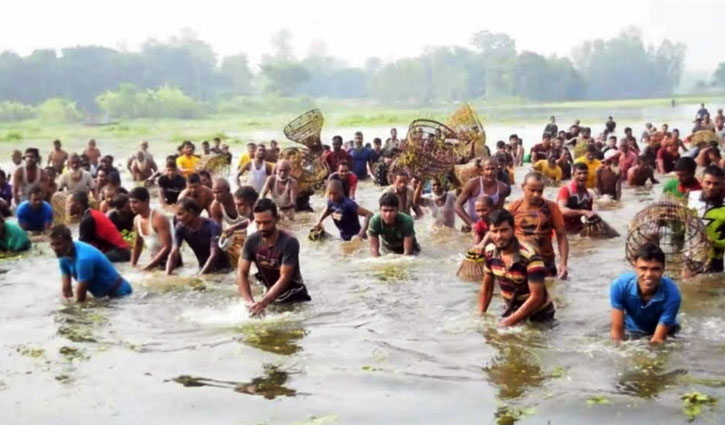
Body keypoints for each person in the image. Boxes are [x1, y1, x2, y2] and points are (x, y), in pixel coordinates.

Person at [477, 209, 555, 325]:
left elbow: (537, 297)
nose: (499, 236)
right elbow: (487, 288)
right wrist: (480, 316)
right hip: (512, 310)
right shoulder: (489, 253)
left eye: (504, 230)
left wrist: (507, 322)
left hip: (539, 315)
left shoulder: (530, 256)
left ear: (514, 230)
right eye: (495, 231)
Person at [238, 198, 311, 315]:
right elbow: (242, 272)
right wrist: (249, 302)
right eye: (258, 223)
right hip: (271, 297)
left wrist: (264, 302)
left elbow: (285, 277)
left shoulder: (289, 242)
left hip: (294, 297)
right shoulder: (251, 241)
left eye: (267, 222)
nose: (262, 227)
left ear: (276, 219)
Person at [610, 243, 680, 345]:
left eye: (655, 269)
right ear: (635, 267)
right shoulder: (620, 286)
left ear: (663, 269)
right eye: (643, 268)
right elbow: (617, 328)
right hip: (632, 330)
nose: (649, 275)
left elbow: (658, 339)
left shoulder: (672, 295)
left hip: (666, 331)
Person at [508, 172, 569, 279]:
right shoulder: (513, 208)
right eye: (532, 190)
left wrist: (563, 263)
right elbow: (503, 234)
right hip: (521, 262)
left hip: (546, 261)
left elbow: (561, 236)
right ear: (523, 187)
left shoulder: (551, 208)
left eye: (540, 191)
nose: (536, 194)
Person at [49, 225, 132, 302]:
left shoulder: (83, 259)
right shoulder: (63, 255)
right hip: (103, 296)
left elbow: (80, 298)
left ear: (69, 240)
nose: (55, 248)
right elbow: (66, 290)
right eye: (52, 244)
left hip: (120, 295)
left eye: (58, 244)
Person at [166, 197, 229, 274]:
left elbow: (214, 254)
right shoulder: (180, 228)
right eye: (176, 214)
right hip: (202, 267)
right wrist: (167, 273)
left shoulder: (212, 226)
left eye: (180, 214)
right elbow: (174, 252)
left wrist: (201, 275)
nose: (177, 218)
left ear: (191, 212)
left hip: (223, 270)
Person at [69, 191, 130, 262]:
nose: (67, 205)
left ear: (78, 204)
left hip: (119, 253)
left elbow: (83, 250)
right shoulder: (91, 214)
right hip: (120, 251)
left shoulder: (88, 220)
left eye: (70, 202)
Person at [455, 158, 511, 230]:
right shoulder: (473, 184)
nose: (490, 172)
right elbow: (457, 205)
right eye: (487, 169)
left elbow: (498, 211)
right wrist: (471, 224)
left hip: (487, 225)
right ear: (482, 171)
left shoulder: (503, 188)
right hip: (469, 224)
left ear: (497, 170)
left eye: (493, 169)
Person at [688, 166, 725, 273]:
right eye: (707, 182)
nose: (711, 187)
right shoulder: (690, 198)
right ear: (701, 182)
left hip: (715, 260)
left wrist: (714, 242)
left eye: (716, 184)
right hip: (690, 257)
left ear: (722, 185)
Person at [128, 187, 175, 271]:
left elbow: (167, 247)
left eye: (135, 202)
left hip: (171, 263)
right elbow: (138, 244)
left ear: (146, 202)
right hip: (154, 262)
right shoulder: (136, 220)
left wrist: (148, 267)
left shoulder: (159, 218)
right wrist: (133, 264)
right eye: (130, 202)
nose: (131, 205)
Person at [557, 163, 596, 233]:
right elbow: (562, 210)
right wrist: (583, 211)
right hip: (562, 231)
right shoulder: (566, 190)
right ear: (573, 175)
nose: (582, 176)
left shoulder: (589, 196)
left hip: (577, 231)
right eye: (579, 173)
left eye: (585, 173)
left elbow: (588, 215)